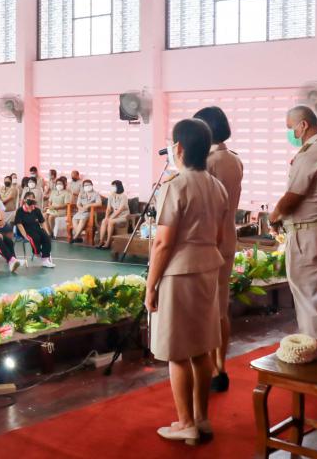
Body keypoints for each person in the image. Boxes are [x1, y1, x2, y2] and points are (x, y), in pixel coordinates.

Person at [144, 118, 229, 444]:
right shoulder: (217, 187)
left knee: (178, 351)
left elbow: (163, 243)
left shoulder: (175, 186)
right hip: (207, 269)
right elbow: (219, 236)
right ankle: (202, 419)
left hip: (178, 274)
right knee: (201, 348)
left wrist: (151, 285)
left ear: (178, 148)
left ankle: (185, 423)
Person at [269, 106, 317, 344]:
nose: (290, 133)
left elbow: (293, 197)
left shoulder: (311, 153)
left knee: (308, 302)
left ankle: (313, 353)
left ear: (303, 125)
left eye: (290, 127)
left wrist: (274, 216)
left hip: (308, 236)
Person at [194, 105, 243, 394]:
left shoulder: (208, 162)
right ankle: (220, 367)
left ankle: (207, 367)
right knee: (221, 306)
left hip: (207, 241)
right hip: (228, 239)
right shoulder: (235, 160)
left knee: (205, 308)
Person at [14, 192, 55, 268]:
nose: (31, 199)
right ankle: (37, 253)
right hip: (25, 230)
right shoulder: (20, 210)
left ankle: (45, 260)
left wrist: (46, 232)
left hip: (36, 228)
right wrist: (25, 235)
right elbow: (19, 224)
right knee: (35, 238)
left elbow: (42, 222)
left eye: (33, 197)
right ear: (25, 199)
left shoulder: (37, 210)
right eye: (29, 198)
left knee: (47, 238)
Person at [95, 180, 130, 249]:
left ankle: (108, 242)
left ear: (118, 187)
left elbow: (120, 210)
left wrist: (110, 218)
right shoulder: (111, 196)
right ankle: (101, 241)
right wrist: (106, 217)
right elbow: (108, 209)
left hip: (123, 216)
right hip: (114, 216)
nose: (112, 188)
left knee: (110, 221)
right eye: (112, 186)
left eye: (114, 186)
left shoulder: (124, 196)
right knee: (104, 221)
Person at [71, 179, 101, 243]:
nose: (87, 186)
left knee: (82, 219)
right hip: (82, 211)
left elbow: (99, 203)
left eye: (89, 185)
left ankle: (75, 237)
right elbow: (78, 204)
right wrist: (81, 208)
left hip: (91, 212)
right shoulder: (81, 194)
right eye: (85, 185)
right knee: (74, 219)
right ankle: (79, 237)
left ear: (92, 185)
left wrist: (89, 205)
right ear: (83, 186)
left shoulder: (96, 194)